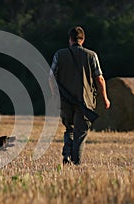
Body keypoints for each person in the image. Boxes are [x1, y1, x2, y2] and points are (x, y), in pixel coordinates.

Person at [49, 26, 110, 165]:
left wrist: (54, 96)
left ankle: (67, 155)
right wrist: (105, 98)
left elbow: (50, 77)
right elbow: (99, 78)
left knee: (69, 129)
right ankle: (76, 163)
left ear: (70, 39)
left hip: (64, 101)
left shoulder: (59, 54)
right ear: (83, 39)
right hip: (85, 101)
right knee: (80, 133)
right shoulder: (91, 55)